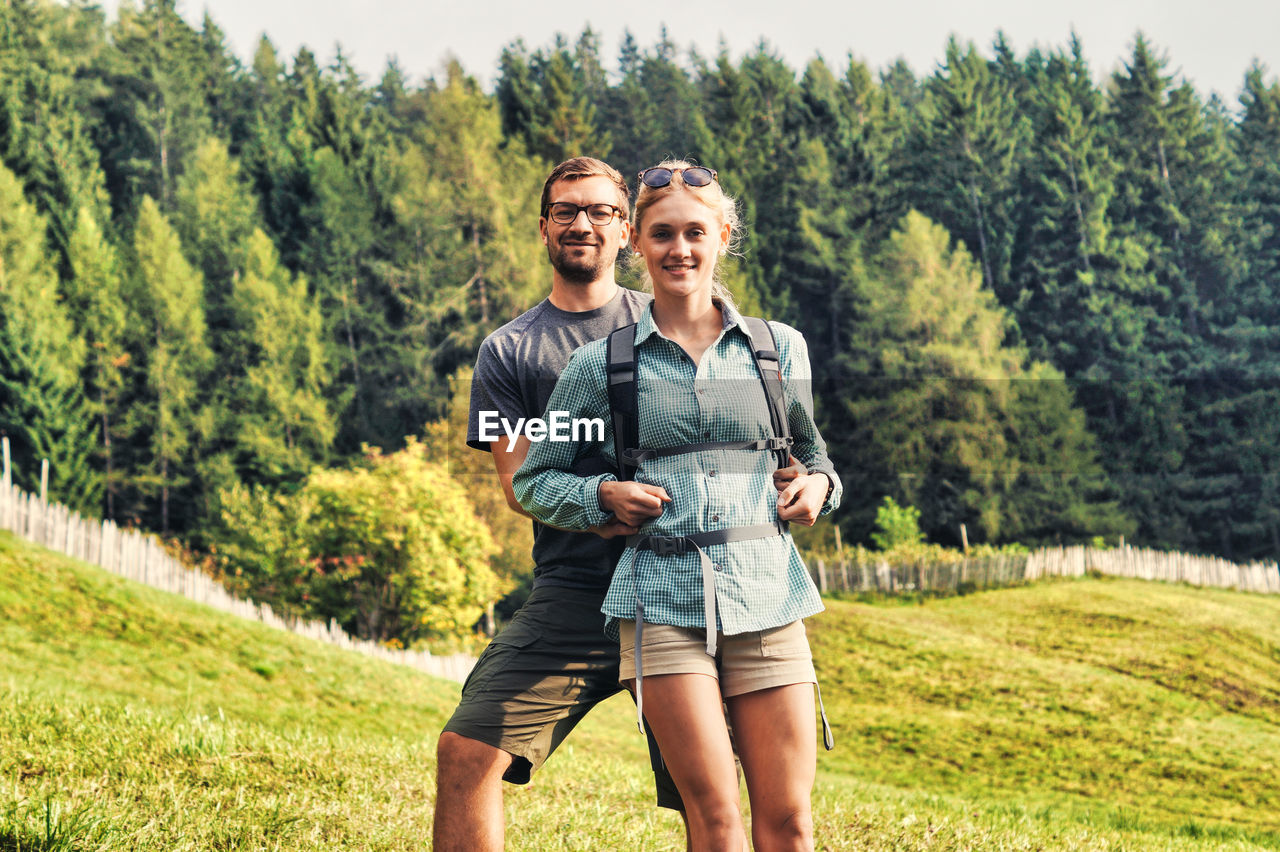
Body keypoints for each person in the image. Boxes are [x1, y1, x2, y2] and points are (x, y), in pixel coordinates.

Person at [513, 160, 841, 851]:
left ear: (723, 234)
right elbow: (534, 480)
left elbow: (814, 458)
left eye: (696, 231)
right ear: (636, 242)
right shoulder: (597, 367)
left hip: (770, 598)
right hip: (661, 604)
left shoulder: (779, 351)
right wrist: (600, 495)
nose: (680, 249)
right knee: (715, 820)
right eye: (662, 234)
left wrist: (819, 488)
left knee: (789, 823)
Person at [433, 157, 676, 851]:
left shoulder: (668, 322)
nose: (583, 224)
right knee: (466, 751)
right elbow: (518, 487)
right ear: (544, 229)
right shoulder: (510, 351)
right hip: (573, 591)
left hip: (676, 586)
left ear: (627, 231)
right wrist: (601, 500)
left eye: (601, 211)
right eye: (567, 211)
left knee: (712, 783)